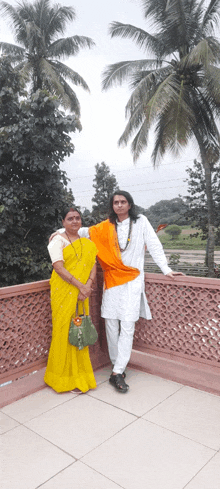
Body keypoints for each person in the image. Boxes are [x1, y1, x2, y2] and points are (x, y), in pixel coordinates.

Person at [49, 191, 183, 393]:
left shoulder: (141, 222)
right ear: (112, 206)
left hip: (133, 280)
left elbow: (154, 244)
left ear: (129, 204)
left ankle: (118, 371)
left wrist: (166, 269)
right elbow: (83, 230)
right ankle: (116, 366)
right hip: (112, 281)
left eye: (123, 202)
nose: (119, 205)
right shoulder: (106, 226)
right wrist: (58, 231)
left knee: (127, 324)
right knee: (111, 323)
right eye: (116, 202)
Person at [44, 207, 97, 393]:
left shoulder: (86, 242)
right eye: (70, 218)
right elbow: (58, 267)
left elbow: (92, 265)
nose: (74, 221)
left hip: (83, 294)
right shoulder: (56, 241)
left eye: (77, 218)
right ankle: (61, 378)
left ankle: (80, 375)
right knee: (64, 332)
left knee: (79, 330)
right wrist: (80, 286)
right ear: (63, 223)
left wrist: (88, 285)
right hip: (64, 293)